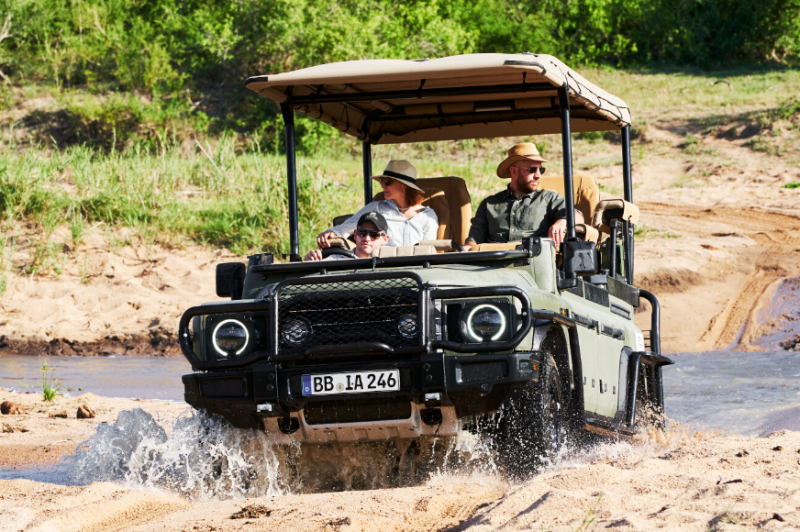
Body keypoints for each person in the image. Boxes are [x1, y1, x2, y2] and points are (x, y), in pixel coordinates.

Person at [465, 142, 572, 249]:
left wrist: (563, 220)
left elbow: (577, 216)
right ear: (514, 170)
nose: (538, 175)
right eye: (532, 170)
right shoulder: (489, 203)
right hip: (494, 261)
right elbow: (474, 240)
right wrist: (467, 249)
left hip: (533, 260)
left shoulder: (549, 198)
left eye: (541, 170)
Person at [315, 160, 439, 249]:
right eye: (381, 180)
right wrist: (330, 233)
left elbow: (428, 252)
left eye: (387, 181)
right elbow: (344, 228)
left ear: (403, 185)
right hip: (381, 272)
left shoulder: (428, 217)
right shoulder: (376, 208)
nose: (382, 185)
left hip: (415, 274)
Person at [305, 212, 390, 261]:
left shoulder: (390, 263)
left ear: (385, 239)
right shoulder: (337, 260)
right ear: (355, 234)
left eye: (374, 235)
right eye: (362, 233)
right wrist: (309, 261)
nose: (367, 238)